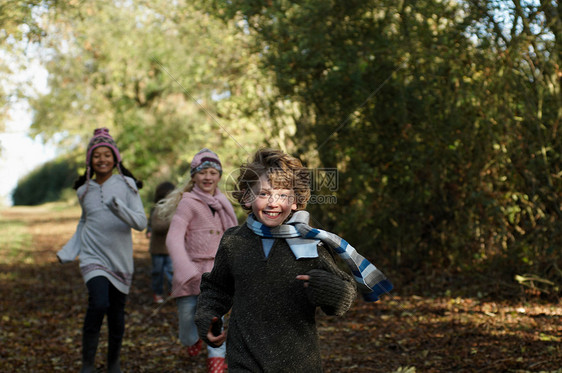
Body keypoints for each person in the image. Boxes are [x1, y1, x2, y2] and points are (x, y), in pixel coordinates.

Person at [194, 148, 393, 372]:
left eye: (283, 195)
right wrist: (208, 316)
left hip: (298, 361)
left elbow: (344, 295)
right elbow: (216, 288)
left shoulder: (310, 244)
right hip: (244, 357)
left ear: (295, 201)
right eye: (264, 194)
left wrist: (330, 289)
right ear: (248, 197)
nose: (273, 203)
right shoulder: (233, 241)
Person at [57, 128, 147, 373]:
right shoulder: (83, 190)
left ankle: (113, 362)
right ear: (90, 160)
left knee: (117, 313)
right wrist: (69, 250)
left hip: (120, 259)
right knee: (98, 303)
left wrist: (120, 210)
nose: (102, 159)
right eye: (97, 155)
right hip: (92, 256)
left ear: (115, 157)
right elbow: (84, 222)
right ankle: (87, 364)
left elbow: (141, 223)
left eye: (107, 154)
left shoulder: (128, 185)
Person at [159, 148, 237, 373]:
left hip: (215, 273)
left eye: (213, 172)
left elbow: (232, 236)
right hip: (190, 273)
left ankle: (216, 359)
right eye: (203, 172)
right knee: (187, 322)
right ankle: (193, 340)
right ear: (193, 176)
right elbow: (173, 237)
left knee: (216, 316)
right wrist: (184, 268)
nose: (208, 177)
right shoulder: (188, 203)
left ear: (219, 176)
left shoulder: (224, 204)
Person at [146, 181, 175, 304]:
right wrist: (148, 231)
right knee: (157, 271)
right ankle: (157, 292)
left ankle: (171, 291)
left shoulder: (175, 208)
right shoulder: (156, 209)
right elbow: (153, 224)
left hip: (170, 247)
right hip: (157, 247)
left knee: (171, 271)